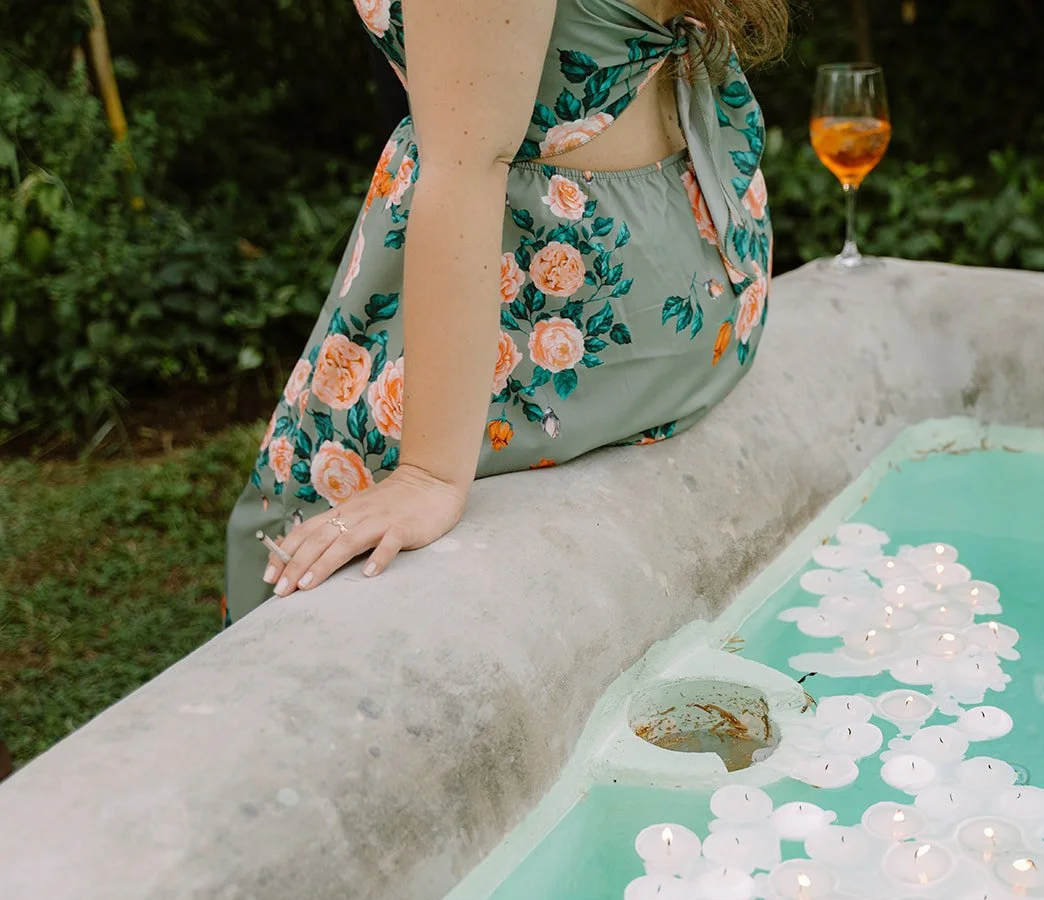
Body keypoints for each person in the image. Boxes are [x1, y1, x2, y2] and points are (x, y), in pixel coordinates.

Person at [223, 0, 784, 622]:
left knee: (289, 555)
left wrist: (428, 476)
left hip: (548, 330)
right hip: (686, 293)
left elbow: (465, 162)